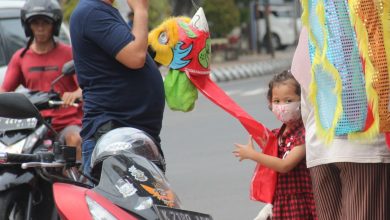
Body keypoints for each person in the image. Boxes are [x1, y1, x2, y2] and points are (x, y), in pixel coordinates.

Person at [291, 26, 390, 220]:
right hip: (364, 151)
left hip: (321, 147)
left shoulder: (313, 23)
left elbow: (305, 97)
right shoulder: (371, 17)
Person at [70, 0, 165, 175]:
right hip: (114, 133)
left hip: (129, 133)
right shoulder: (92, 12)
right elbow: (136, 56)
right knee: (118, 202)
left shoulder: (102, 11)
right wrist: (140, 9)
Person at [0, 0, 83, 161]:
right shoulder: (20, 57)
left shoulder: (69, 54)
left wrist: (73, 94)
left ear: (55, 25)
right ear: (27, 26)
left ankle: (77, 182)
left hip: (64, 123)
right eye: (35, 23)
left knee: (75, 139)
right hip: (33, 125)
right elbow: (4, 91)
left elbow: (84, 87)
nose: (40, 28)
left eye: (45, 23)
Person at [233, 70, 317, 220]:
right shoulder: (278, 134)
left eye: (288, 100)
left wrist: (253, 155)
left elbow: (285, 165)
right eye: (277, 101)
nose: (282, 106)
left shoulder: (303, 134)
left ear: (302, 99)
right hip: (281, 203)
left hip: (299, 204)